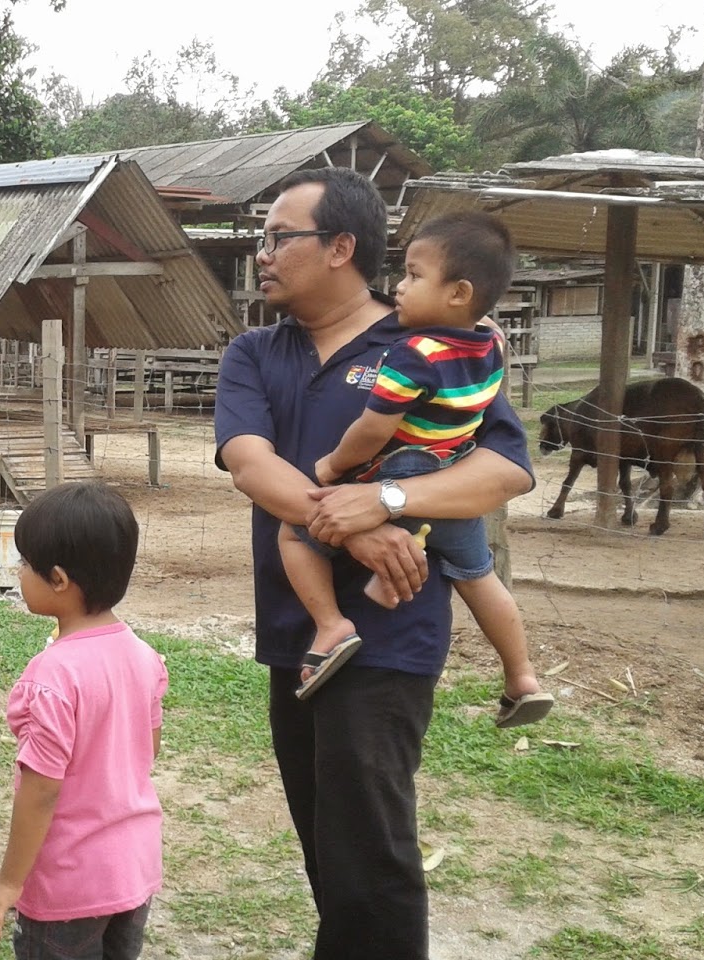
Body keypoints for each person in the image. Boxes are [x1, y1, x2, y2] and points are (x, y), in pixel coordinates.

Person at [214, 167, 535, 960]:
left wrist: (389, 503)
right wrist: (350, 524)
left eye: (278, 237)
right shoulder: (256, 352)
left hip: (389, 637)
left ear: (340, 247)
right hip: (296, 638)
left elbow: (505, 470)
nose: (262, 254)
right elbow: (251, 462)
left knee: (372, 855)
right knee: (329, 847)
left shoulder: (436, 343)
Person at [279, 211, 554, 728]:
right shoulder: (491, 344)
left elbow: (372, 430)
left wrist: (333, 465)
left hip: (400, 474)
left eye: (413, 275)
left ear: (458, 292)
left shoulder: (413, 354)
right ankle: (521, 676)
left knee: (294, 532)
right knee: (480, 579)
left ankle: (332, 626)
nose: (398, 287)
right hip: (450, 483)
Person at [0, 482, 168, 960]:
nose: (18, 573)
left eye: (23, 563)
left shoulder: (53, 674)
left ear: (57, 579)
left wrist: (8, 880)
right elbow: (149, 749)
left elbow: (42, 788)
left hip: (69, 883)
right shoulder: (143, 655)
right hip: (133, 868)